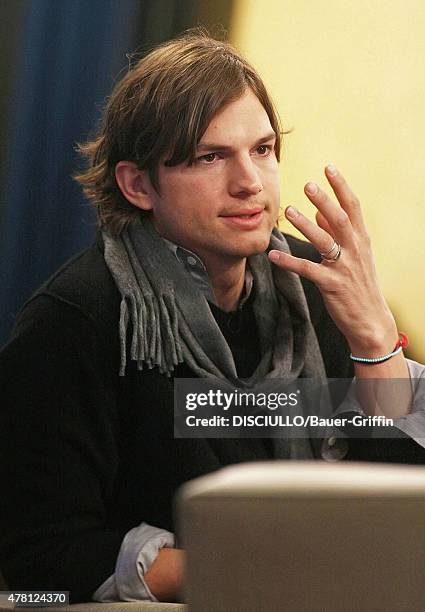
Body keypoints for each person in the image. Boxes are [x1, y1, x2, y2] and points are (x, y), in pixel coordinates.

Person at [0, 29, 424, 604]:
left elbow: (392, 493)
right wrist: (253, 569)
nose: (249, 181)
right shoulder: (77, 319)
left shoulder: (314, 284)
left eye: (263, 149)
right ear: (138, 184)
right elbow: (45, 554)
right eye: (210, 156)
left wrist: (376, 344)